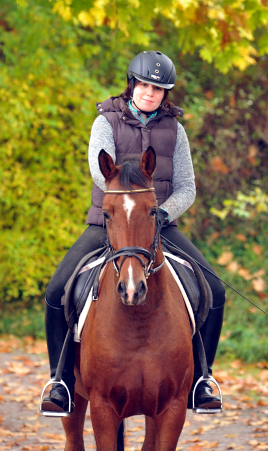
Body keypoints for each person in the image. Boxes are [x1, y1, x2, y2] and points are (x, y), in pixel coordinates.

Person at [41, 50, 226, 415]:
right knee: (56, 290)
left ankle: (202, 379)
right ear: (132, 85)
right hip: (108, 223)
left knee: (215, 289)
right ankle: (60, 381)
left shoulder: (176, 131)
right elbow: (101, 170)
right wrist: (126, 204)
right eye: (143, 84)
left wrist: (160, 214)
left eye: (157, 88)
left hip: (158, 225)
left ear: (165, 94)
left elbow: (187, 187)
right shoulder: (105, 122)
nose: (149, 92)